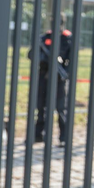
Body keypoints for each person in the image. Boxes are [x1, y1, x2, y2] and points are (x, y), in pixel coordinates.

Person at [31, 14, 72, 145]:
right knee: (40, 106)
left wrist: (65, 72)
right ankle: (38, 135)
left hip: (59, 78)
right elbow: (31, 54)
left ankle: (64, 137)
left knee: (61, 108)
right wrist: (43, 58)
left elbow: (72, 60)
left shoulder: (67, 39)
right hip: (44, 75)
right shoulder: (44, 38)